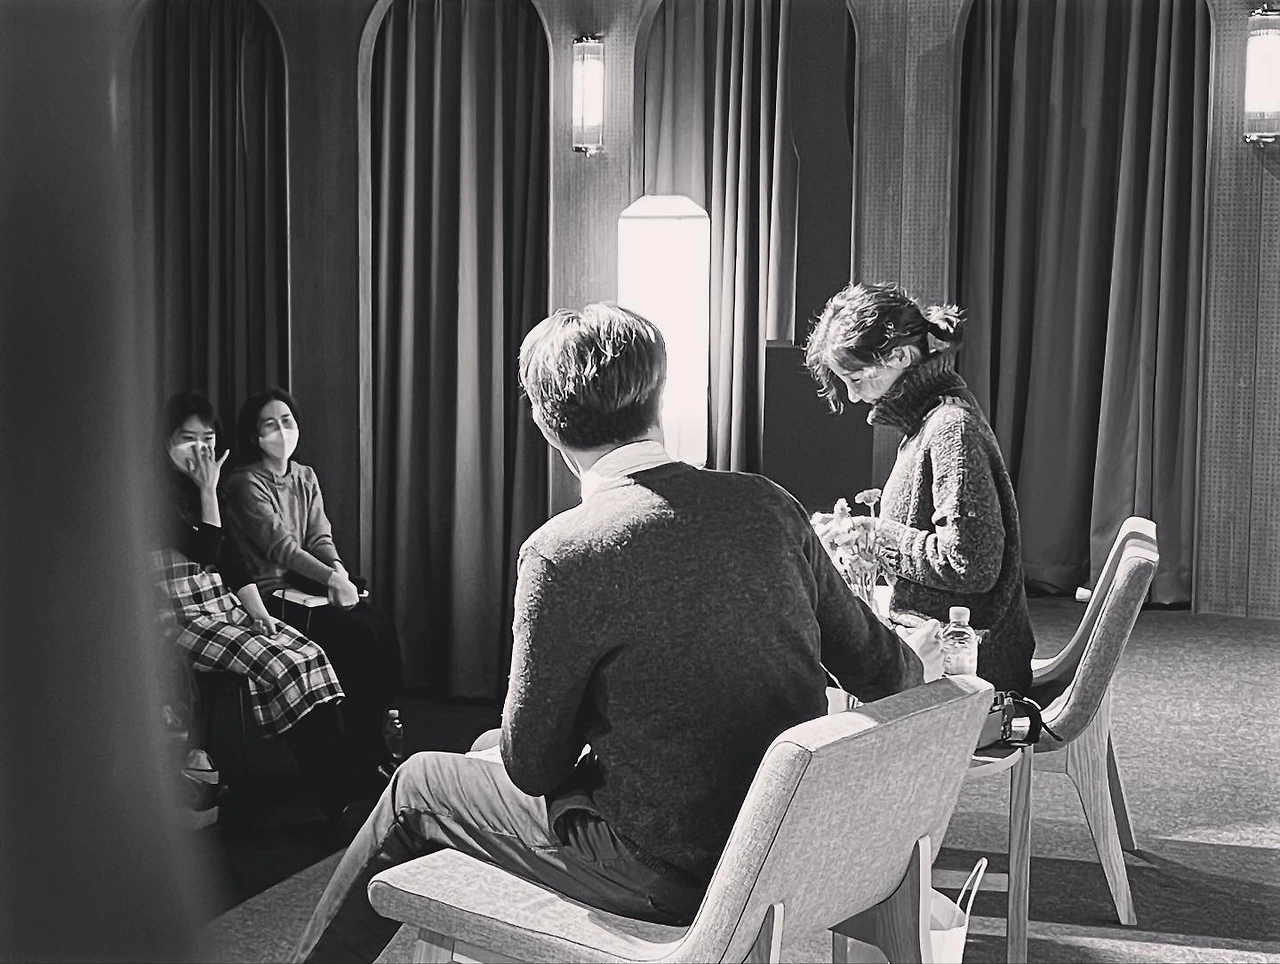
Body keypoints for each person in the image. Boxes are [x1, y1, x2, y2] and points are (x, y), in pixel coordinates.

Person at [290, 303, 943, 963]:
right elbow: (890, 672)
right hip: (784, 851)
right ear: (659, 396)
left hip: (668, 872)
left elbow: (532, 767)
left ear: (545, 420)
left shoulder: (565, 552)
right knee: (485, 752)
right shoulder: (768, 504)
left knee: (418, 784)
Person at [806, 281, 1035, 694]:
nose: (853, 397)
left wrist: (878, 535)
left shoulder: (951, 428)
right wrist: (864, 535)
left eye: (856, 379)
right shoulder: (928, 424)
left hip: (968, 672)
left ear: (900, 356)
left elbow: (971, 565)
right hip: (942, 650)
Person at [154, 392, 370, 820]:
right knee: (282, 665)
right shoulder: (153, 494)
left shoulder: (209, 488)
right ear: (165, 443)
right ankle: (335, 799)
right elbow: (204, 549)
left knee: (310, 655)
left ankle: (346, 781)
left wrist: (258, 612)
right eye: (187, 438)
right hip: (178, 614)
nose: (200, 449)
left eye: (208, 438)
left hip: (223, 604)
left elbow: (232, 561)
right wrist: (207, 489)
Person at [221, 388, 403, 782]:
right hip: (270, 593)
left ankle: (378, 738)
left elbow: (319, 536)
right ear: (254, 436)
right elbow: (282, 548)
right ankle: (360, 756)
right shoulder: (244, 483)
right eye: (270, 424)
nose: (281, 431)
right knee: (356, 640)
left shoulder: (305, 476)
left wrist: (338, 571)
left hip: (307, 585)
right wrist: (333, 580)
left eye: (287, 421)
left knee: (380, 627)